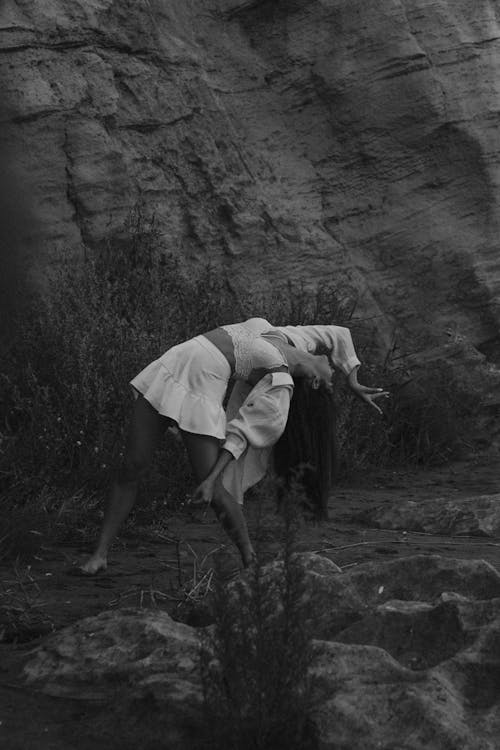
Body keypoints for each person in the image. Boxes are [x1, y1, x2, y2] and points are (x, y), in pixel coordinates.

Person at [80, 318, 387, 574]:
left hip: (203, 385)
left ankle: (249, 559)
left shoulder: (281, 383)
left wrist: (212, 478)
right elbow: (339, 335)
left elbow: (245, 431)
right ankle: (99, 555)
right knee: (131, 465)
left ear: (317, 382)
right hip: (173, 363)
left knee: (215, 490)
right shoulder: (292, 338)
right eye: (334, 374)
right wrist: (353, 379)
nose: (332, 369)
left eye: (332, 378)